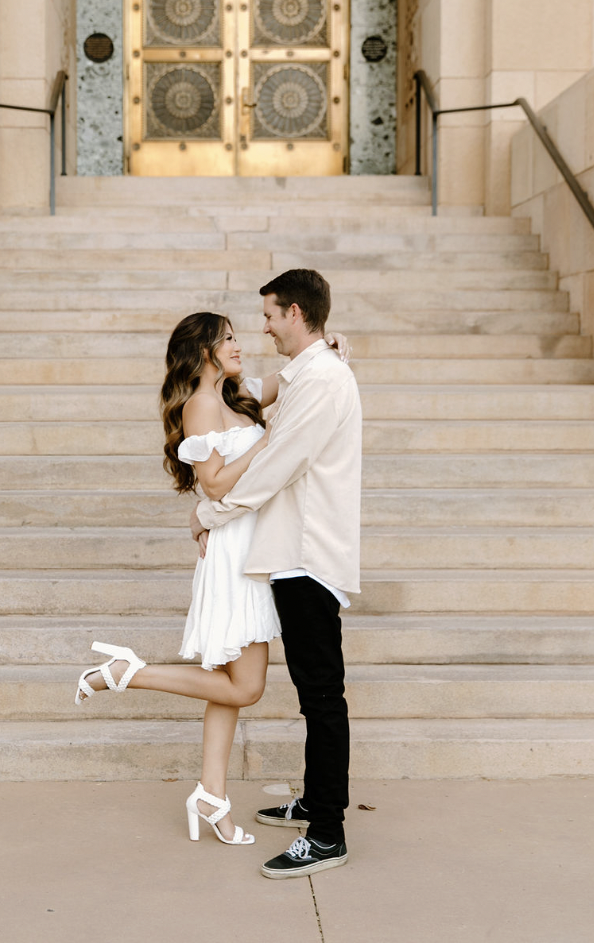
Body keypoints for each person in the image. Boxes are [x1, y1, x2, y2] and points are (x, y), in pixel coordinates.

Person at [74, 310, 350, 848]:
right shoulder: (202, 405)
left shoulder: (234, 394)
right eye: (227, 339)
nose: (240, 345)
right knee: (246, 686)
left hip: (254, 544)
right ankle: (131, 672)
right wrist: (271, 447)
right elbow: (217, 486)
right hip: (236, 553)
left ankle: (212, 795)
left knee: (227, 689)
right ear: (203, 350)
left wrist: (325, 346)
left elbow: (288, 381)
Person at [190, 269, 362, 880]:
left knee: (321, 695)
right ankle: (316, 803)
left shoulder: (321, 381)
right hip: (290, 550)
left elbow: (277, 467)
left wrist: (210, 511)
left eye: (267, 316)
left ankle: (327, 832)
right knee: (314, 692)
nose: (261, 328)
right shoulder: (310, 374)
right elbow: (263, 392)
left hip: (307, 554)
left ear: (293, 312)